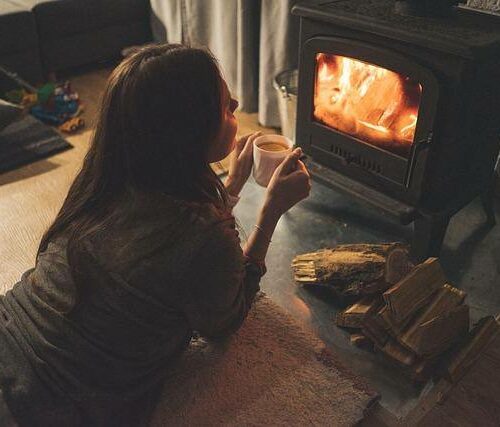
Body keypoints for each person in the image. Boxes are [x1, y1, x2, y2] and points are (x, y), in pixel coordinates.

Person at [0, 44, 311, 426]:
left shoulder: (103, 182)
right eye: (224, 105)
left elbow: (169, 247)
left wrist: (230, 187)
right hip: (40, 403)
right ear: (186, 130)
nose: (236, 103)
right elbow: (224, 322)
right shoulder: (202, 237)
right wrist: (270, 213)